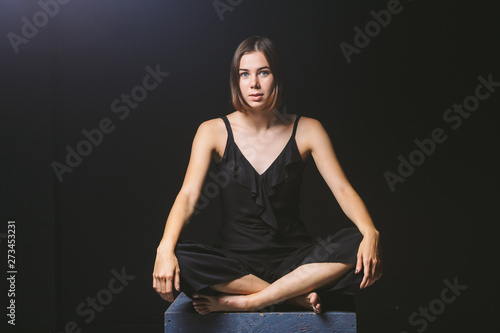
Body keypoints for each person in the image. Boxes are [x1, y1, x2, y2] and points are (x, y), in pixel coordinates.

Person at [152, 36, 382, 315]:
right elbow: (187, 197)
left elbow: (343, 190)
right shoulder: (212, 130)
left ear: (277, 77)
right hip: (235, 264)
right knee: (182, 257)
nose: (254, 84)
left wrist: (370, 232)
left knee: (358, 242)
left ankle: (253, 300)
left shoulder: (308, 129)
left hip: (296, 260)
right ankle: (290, 297)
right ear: (236, 80)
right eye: (244, 74)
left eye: (264, 72)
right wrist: (164, 248)